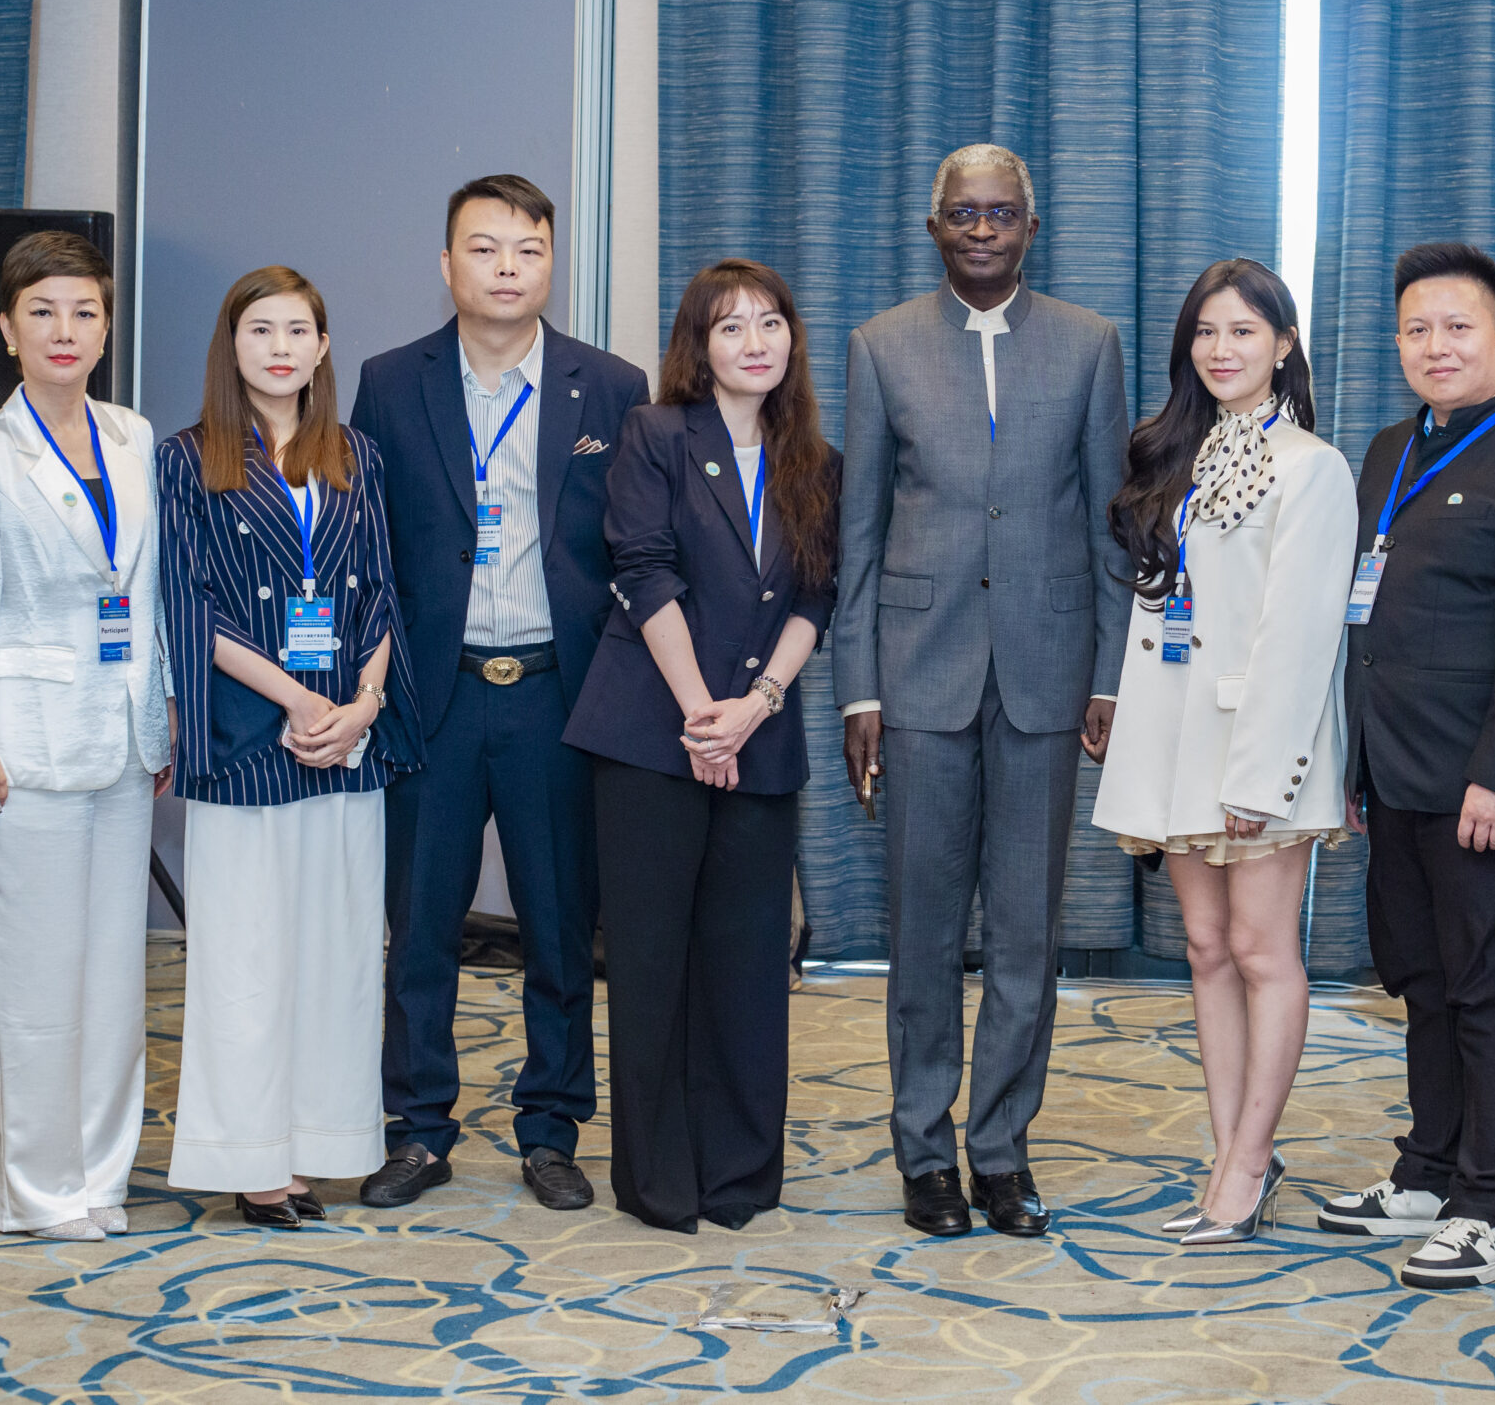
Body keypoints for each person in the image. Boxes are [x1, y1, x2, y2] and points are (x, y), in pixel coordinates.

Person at [835, 143, 1132, 1239]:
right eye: (962, 213)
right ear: (934, 228)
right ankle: (924, 1154)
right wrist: (858, 692)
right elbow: (860, 536)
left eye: (1000, 213)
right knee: (920, 934)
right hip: (919, 680)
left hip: (1047, 678)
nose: (981, 229)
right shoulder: (881, 346)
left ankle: (1001, 1152)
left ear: (1030, 228)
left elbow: (1110, 528)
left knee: (1024, 936)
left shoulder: (1089, 344)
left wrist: (1110, 676)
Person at [349, 175, 650, 1213]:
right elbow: (367, 546)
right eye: (483, 249)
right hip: (432, 693)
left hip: (557, 697)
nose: (507, 268)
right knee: (419, 928)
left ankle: (551, 1129)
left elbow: (636, 548)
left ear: (551, 263)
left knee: (560, 931)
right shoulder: (392, 382)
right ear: (447, 266)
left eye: (527, 250)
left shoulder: (608, 386)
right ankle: (417, 1129)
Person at [1317, 243, 1495, 1290]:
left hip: (1481, 786)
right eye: (1416, 329)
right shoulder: (1392, 450)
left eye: (1457, 327)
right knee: (1421, 979)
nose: (1435, 346)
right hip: (1392, 773)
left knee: (1491, 991)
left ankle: (1493, 1204)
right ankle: (1429, 1171)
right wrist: (1355, 761)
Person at [563, 259, 840, 1233]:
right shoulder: (655, 433)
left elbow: (815, 597)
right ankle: (660, 1177)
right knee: (650, 959)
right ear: (699, 344)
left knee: (747, 963)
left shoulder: (817, 459)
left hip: (757, 741)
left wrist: (754, 707)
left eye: (770, 323)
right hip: (652, 735)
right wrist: (699, 714)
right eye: (731, 327)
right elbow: (643, 572)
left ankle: (739, 1172)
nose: (755, 342)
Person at [1092, 258, 1356, 1247]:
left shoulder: (1312, 466)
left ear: (1283, 345)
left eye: (1244, 330)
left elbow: (1299, 634)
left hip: (1259, 744)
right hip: (1174, 742)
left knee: (1259, 949)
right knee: (1204, 949)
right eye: (1206, 331)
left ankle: (1246, 1168)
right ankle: (1232, 1151)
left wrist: (1259, 777)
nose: (1221, 348)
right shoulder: (1174, 455)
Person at [158, 265, 421, 1227]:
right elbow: (191, 604)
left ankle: (317, 1145)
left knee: (338, 953)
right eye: (260, 329)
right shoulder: (188, 458)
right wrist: (298, 698)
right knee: (247, 958)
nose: (279, 347)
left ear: (322, 346)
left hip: (346, 741)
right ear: (231, 346)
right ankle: (252, 1160)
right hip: (251, 737)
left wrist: (363, 703)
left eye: (297, 329)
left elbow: (384, 590)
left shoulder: (357, 454)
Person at [0, 230, 173, 1241]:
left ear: (107, 327)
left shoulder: (134, 436)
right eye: (43, 312)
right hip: (21, 747)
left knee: (113, 979)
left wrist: (160, 711)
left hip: (122, 737)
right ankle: (37, 1189)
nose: (64, 330)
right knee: (32, 984)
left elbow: (149, 590)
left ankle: (100, 1174)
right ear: (8, 329)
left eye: (83, 311)